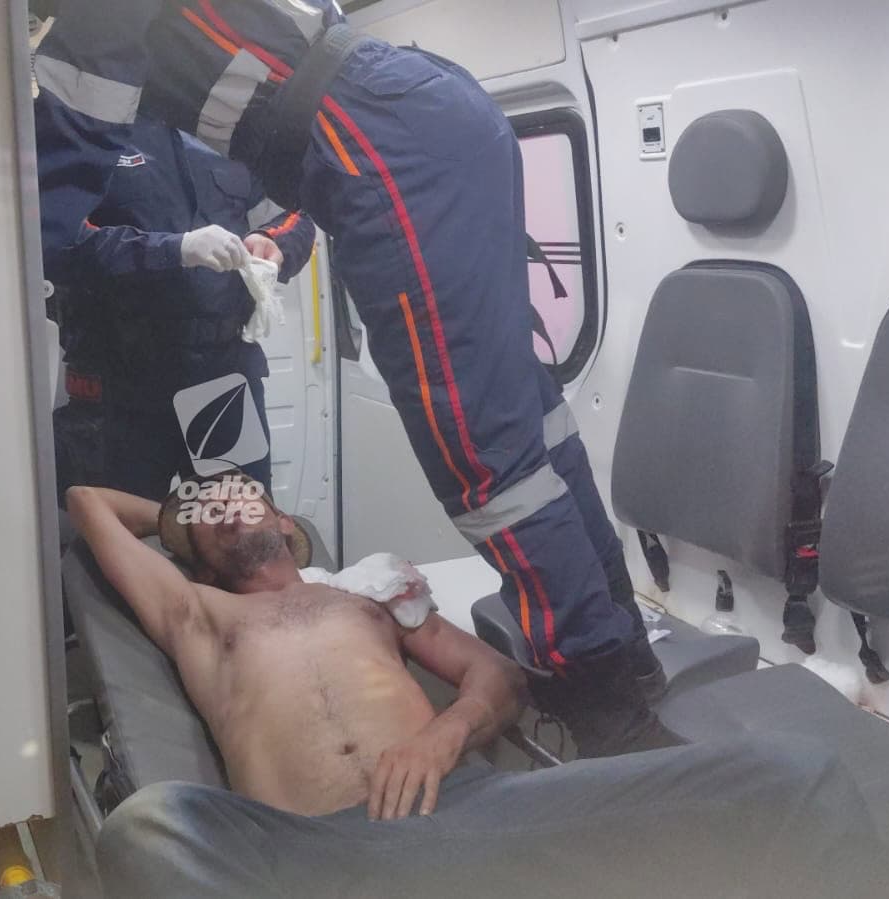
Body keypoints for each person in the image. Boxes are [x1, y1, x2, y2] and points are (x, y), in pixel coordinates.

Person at [34, 0, 668, 756]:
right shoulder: (172, 92)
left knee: (480, 454)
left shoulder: (103, 31)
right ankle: (625, 656)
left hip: (376, 143)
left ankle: (607, 708)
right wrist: (165, 251)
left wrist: (19, 231)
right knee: (527, 412)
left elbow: (47, 191)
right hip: (417, 113)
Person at [65, 471, 877, 898]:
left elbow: (495, 674)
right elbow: (86, 500)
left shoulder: (364, 594)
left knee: (796, 772)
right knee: (144, 826)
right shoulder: (198, 612)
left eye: (244, 493)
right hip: (308, 850)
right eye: (208, 510)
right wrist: (190, 508)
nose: (225, 504)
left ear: (285, 521)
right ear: (193, 552)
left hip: (468, 808)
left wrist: (442, 733)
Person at [52, 114, 316, 501]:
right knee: (121, 529)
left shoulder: (233, 135)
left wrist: (272, 239)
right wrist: (174, 249)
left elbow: (294, 211)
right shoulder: (91, 129)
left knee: (239, 523)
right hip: (119, 384)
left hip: (220, 378)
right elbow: (62, 242)